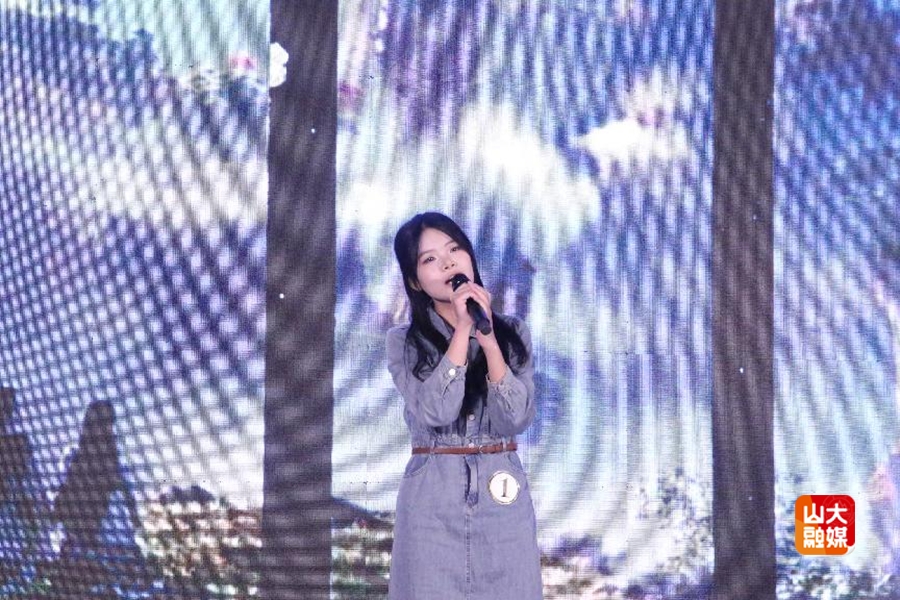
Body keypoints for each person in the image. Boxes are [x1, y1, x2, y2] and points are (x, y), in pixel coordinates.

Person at [386, 212, 542, 599]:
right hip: (432, 496)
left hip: (501, 490)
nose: (448, 263)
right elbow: (436, 412)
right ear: (414, 281)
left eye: (455, 250)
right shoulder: (403, 342)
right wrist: (461, 331)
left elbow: (516, 418)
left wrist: (489, 342)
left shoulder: (513, 333)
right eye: (430, 259)